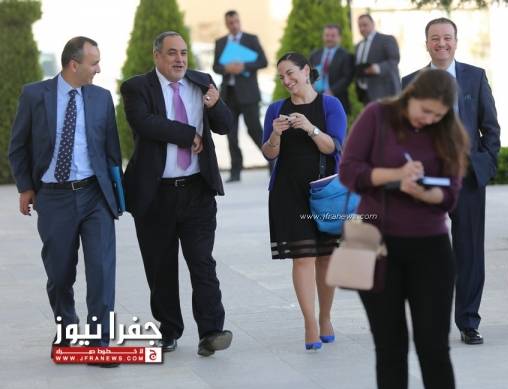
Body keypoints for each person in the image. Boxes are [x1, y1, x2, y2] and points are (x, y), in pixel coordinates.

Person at [339, 69, 469, 389]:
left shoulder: (448, 132)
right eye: (425, 111)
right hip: (374, 244)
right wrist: (395, 175)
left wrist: (423, 192)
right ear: (411, 96)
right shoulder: (377, 115)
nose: (430, 119)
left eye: (438, 115)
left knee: (434, 347)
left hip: (430, 248)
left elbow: (450, 196)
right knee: (389, 347)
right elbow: (349, 171)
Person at [8, 37, 122, 367]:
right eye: (93, 63)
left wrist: (117, 194)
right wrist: (26, 187)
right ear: (74, 64)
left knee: (102, 271)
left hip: (95, 194)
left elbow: (112, 151)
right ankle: (68, 329)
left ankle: (99, 342)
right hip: (54, 197)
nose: (98, 69)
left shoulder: (101, 98)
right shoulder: (35, 95)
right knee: (59, 274)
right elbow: (18, 146)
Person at [121, 31, 233, 357]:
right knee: (161, 268)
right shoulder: (137, 87)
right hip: (156, 194)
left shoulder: (202, 82)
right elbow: (144, 123)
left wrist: (216, 104)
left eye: (183, 52)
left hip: (197, 191)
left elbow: (225, 126)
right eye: (172, 53)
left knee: (202, 263)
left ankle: (211, 332)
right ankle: (169, 330)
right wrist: (187, 135)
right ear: (157, 56)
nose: (179, 59)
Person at [402, 17, 501, 345]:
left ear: (456, 42)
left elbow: (491, 127)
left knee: (469, 251)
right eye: (435, 38)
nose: (441, 43)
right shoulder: (409, 82)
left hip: (467, 178)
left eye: (447, 37)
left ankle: (468, 321)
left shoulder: (475, 77)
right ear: (426, 43)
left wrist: (484, 165)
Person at [261, 52, 347, 350]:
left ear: (306, 71)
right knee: (302, 257)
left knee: (326, 258)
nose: (286, 80)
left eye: (290, 73)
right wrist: (275, 135)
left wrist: (310, 128)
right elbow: (269, 154)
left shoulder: (330, 105)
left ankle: (325, 317)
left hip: (325, 193)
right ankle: (310, 323)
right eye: (281, 76)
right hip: (287, 193)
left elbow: (333, 147)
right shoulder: (276, 109)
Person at [213, 10, 268, 183]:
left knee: (255, 130)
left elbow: (263, 61)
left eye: (236, 21)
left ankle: (273, 163)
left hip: (248, 94)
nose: (234, 25)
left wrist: (244, 66)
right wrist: (226, 68)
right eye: (230, 23)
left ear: (239, 21)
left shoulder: (251, 39)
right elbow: (215, 67)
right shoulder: (221, 42)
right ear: (226, 24)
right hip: (228, 94)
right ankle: (235, 171)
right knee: (231, 134)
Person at [354, 14, 401, 105]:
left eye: (365, 25)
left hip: (384, 92)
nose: (362, 28)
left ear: (373, 24)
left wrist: (377, 68)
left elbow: (394, 60)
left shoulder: (387, 39)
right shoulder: (358, 45)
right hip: (364, 93)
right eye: (360, 26)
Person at [309, 23, 354, 114]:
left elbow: (347, 77)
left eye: (333, 36)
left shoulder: (346, 55)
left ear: (339, 38)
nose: (329, 38)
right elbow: (309, 73)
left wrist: (331, 91)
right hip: (316, 99)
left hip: (337, 99)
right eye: (327, 35)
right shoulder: (315, 54)